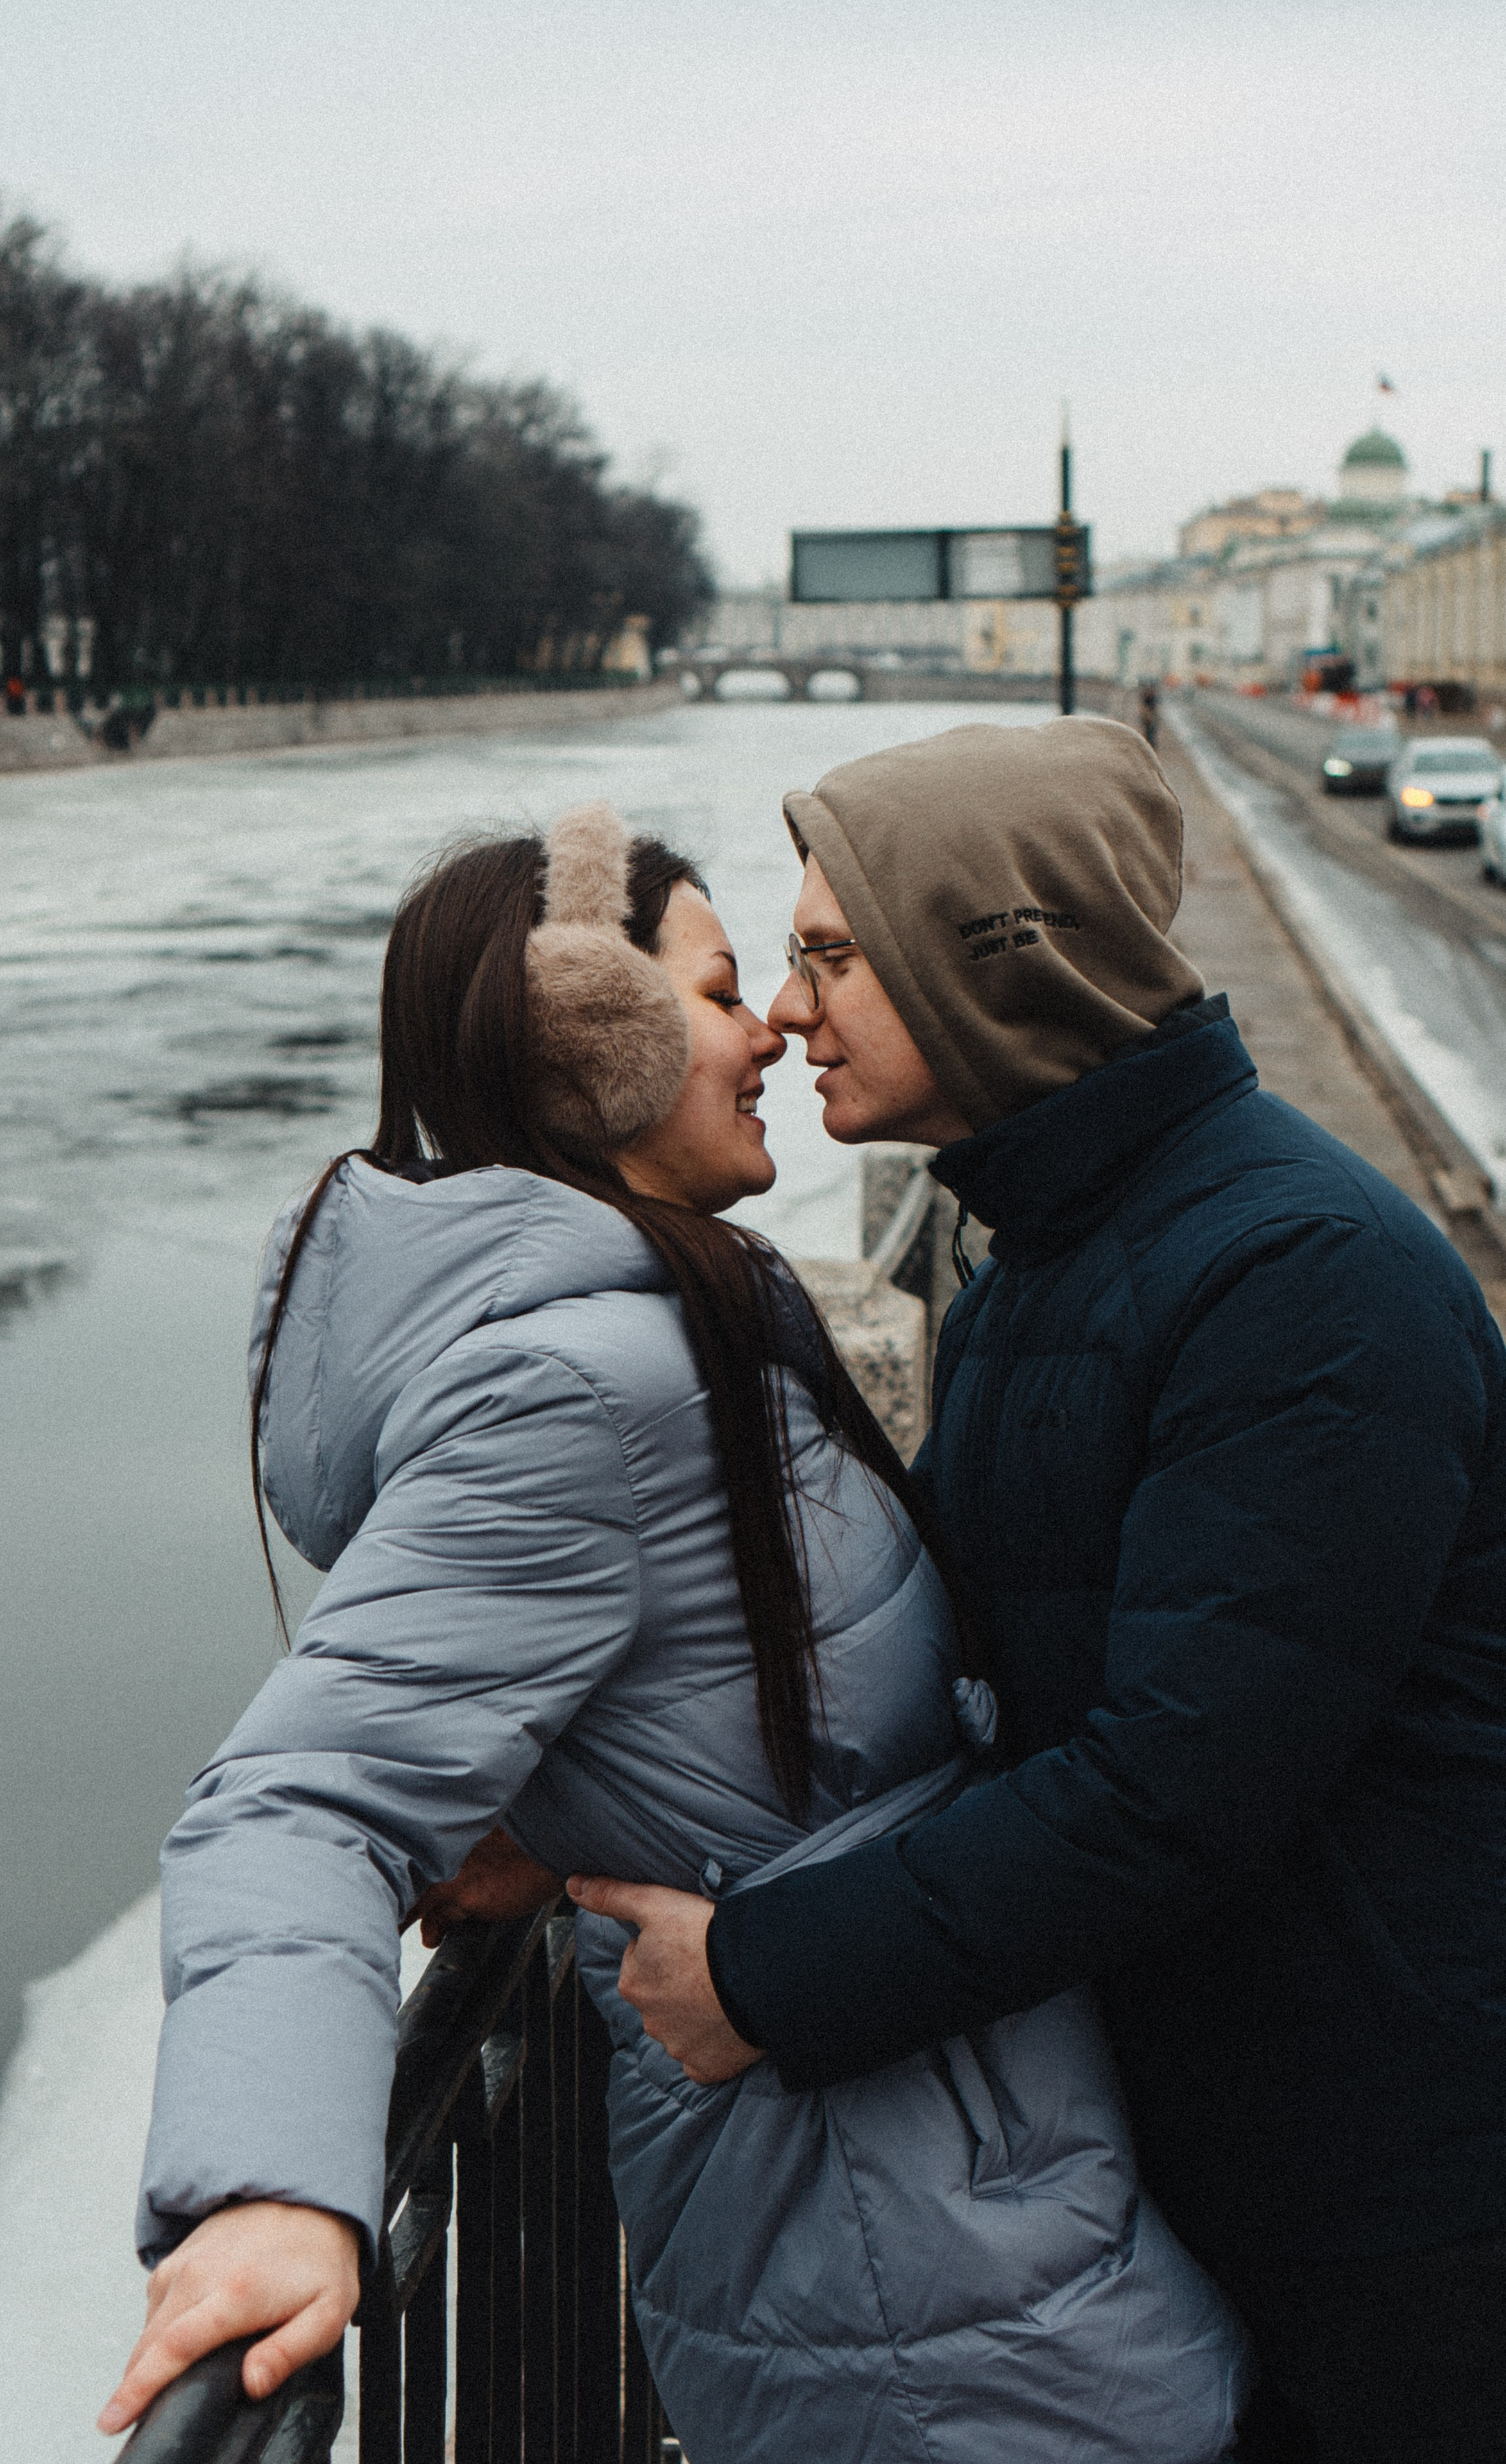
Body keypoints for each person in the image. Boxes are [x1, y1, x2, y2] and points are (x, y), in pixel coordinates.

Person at [101, 802, 1248, 2461]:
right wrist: (270, 2184)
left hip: (948, 2212)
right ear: (600, 1047)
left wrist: (556, 1814)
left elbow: (662, 1692)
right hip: (898, 2273)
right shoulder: (582, 1390)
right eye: (724, 992)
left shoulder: (672, 1324)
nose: (773, 1024)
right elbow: (298, 1803)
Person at [570, 719, 1506, 2464]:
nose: (783, 1010)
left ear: (997, 965)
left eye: (834, 956)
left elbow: (1175, 1785)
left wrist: (771, 1976)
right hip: (1224, 2121)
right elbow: (963, 1689)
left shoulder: (1300, 1279)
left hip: (1400, 2195)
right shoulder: (1062, 1251)